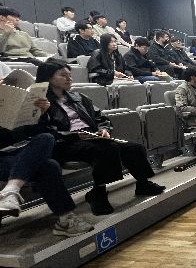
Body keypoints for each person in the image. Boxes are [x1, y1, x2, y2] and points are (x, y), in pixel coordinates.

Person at [36, 60, 166, 215]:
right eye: (63, 75)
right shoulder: (41, 103)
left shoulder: (79, 97)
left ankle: (143, 184)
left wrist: (103, 129)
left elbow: (101, 118)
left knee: (134, 147)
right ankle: (98, 193)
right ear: (48, 78)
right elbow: (43, 132)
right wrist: (74, 135)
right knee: (107, 149)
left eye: (70, 75)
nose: (69, 78)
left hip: (91, 137)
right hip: (64, 143)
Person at [0, 126, 94, 237]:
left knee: (46, 138)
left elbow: (15, 136)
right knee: (48, 166)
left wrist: (40, 120)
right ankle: (65, 219)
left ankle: (10, 190)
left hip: (15, 151)